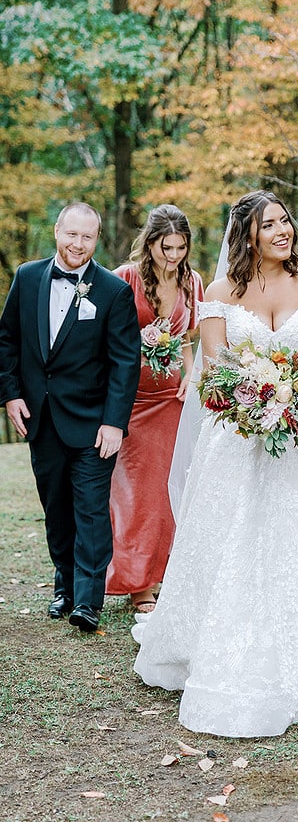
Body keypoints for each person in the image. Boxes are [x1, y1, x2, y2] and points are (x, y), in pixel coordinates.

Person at [132, 190, 298, 738]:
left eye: (285, 221)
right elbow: (214, 374)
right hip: (242, 437)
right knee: (240, 542)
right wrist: (258, 404)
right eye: (269, 224)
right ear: (247, 235)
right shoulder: (219, 292)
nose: (283, 231)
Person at [0, 203, 141, 633]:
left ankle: (87, 600)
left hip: (94, 423)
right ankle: (63, 584)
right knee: (56, 509)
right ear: (57, 231)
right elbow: (6, 339)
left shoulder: (113, 292)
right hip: (40, 419)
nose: (78, 244)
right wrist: (11, 396)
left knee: (93, 512)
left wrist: (114, 422)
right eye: (71, 234)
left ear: (96, 240)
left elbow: (125, 363)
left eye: (87, 237)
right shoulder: (26, 278)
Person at [106, 206, 204, 612]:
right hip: (131, 398)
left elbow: (188, 338)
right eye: (167, 248)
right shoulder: (124, 278)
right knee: (136, 491)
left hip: (170, 400)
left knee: (167, 487)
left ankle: (162, 572)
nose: (174, 256)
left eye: (181, 248)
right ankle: (137, 582)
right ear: (150, 243)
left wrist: (189, 373)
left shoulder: (191, 281)